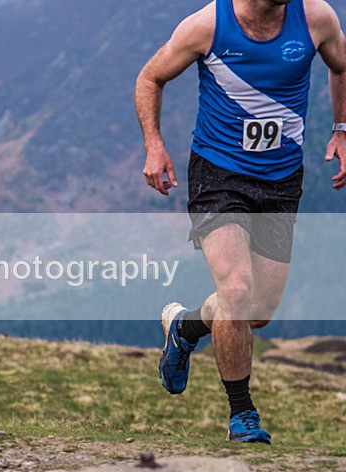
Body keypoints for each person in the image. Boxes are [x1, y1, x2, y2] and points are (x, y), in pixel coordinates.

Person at [135, 0, 346, 443]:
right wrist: (154, 145)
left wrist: (342, 126)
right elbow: (150, 77)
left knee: (256, 313)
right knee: (236, 288)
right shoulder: (209, 25)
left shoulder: (316, 18)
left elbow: (341, 65)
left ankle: (186, 327)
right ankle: (242, 414)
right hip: (219, 174)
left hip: (282, 179)